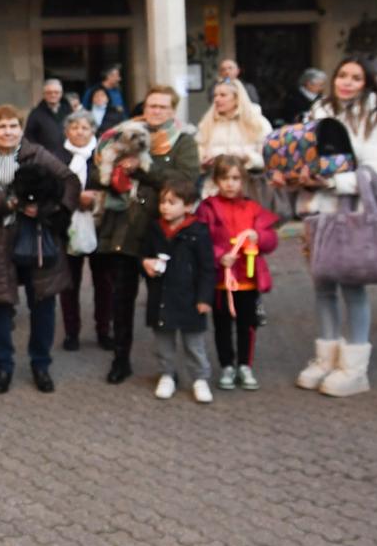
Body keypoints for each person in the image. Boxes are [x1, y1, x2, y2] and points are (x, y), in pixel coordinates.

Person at [276, 57, 377, 398]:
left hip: (349, 212)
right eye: (342, 75)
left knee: (352, 286)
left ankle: (355, 367)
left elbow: (373, 174)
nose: (347, 82)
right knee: (322, 286)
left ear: (368, 83)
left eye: (356, 77)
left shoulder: (375, 116)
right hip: (316, 211)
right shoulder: (319, 110)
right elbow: (302, 154)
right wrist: (292, 174)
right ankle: (325, 359)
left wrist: (329, 181)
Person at [0, 103, 79, 394]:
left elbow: (69, 181)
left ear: (21, 129)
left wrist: (50, 211)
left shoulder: (37, 154)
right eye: (1, 126)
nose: (8, 131)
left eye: (13, 126)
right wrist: (8, 203)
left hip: (36, 238)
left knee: (43, 303)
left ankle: (41, 364)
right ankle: (3, 366)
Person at [94, 86, 200, 384]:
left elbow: (186, 181)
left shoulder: (183, 142)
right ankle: (120, 360)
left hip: (164, 233)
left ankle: (169, 367)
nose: (156, 111)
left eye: (163, 107)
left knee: (165, 301)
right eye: (152, 105)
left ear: (172, 110)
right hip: (125, 229)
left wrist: (141, 171)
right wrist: (111, 172)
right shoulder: (122, 133)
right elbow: (96, 169)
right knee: (121, 300)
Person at [197, 155, 278, 391]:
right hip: (221, 280)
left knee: (247, 324)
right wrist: (219, 255)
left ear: (243, 181)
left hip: (247, 279)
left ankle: (245, 364)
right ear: (216, 181)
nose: (230, 184)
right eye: (225, 178)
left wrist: (258, 237)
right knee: (221, 324)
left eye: (235, 178)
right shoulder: (208, 207)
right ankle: (226, 365)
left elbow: (271, 240)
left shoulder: (253, 208)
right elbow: (202, 239)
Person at [141, 175, 216, 403]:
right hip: (161, 296)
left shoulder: (198, 232)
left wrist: (205, 298)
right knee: (163, 341)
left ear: (188, 206)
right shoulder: (155, 229)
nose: (165, 207)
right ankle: (167, 374)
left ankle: (200, 378)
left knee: (194, 342)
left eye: (172, 202)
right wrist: (146, 263)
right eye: (163, 201)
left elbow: (207, 268)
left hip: (190, 297)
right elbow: (143, 254)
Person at [58, 111, 105, 352]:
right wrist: (74, 199)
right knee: (69, 284)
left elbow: (111, 187)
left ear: (93, 131)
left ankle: (104, 330)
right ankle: (71, 332)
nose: (79, 132)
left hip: (100, 226)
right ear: (67, 132)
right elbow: (52, 187)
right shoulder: (58, 156)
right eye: (74, 127)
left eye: (84, 128)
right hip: (68, 226)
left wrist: (95, 200)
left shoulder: (102, 156)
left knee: (104, 283)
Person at [195, 78, 272, 187]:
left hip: (250, 187)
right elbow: (197, 156)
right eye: (215, 95)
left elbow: (269, 159)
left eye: (223, 95)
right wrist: (203, 163)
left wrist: (248, 158)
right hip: (214, 188)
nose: (217, 99)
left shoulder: (258, 123)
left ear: (237, 98)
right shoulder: (206, 124)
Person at [25, 77, 69, 152]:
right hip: (45, 157)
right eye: (49, 92)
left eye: (56, 92)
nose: (53, 95)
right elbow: (29, 137)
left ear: (61, 94)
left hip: (68, 155)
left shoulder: (69, 111)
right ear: (44, 94)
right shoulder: (35, 113)